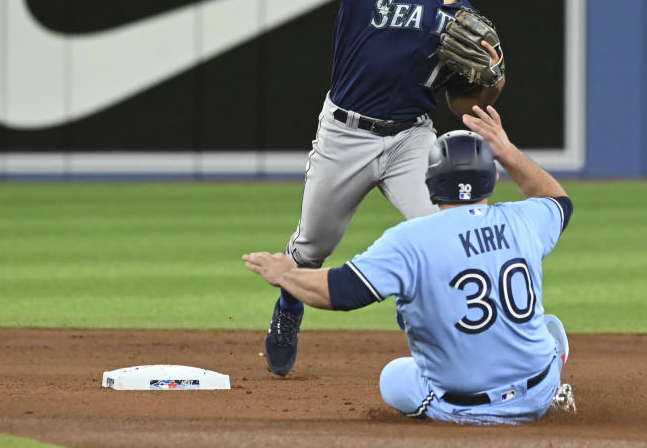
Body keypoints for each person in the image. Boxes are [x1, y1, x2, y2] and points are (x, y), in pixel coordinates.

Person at [219, 0, 506, 375]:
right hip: (346, 133)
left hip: (411, 140)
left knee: (443, 234)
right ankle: (289, 305)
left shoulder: (467, 17)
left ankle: (431, 327)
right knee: (311, 248)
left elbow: (461, 103)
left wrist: (493, 81)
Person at [244, 105, 574, 423]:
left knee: (395, 376)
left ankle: (474, 410)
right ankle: (550, 390)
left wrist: (287, 275)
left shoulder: (411, 241)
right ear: (493, 178)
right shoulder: (524, 220)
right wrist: (506, 150)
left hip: (465, 409)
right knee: (550, 328)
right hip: (538, 395)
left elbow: (342, 292)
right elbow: (558, 201)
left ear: (430, 183)